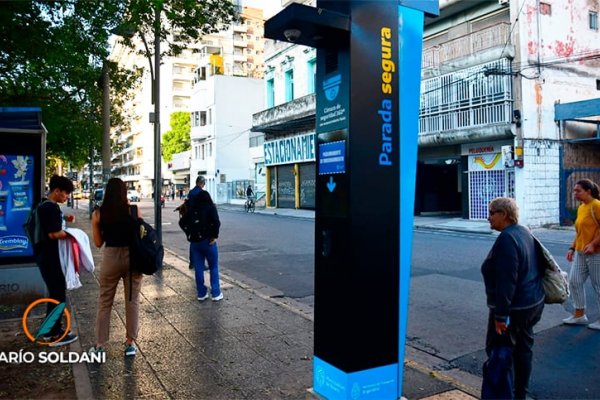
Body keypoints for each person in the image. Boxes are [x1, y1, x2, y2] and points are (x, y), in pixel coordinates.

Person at [481, 197, 544, 400]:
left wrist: (500, 316)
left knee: (499, 352)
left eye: (491, 213)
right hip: (532, 304)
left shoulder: (507, 239)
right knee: (523, 350)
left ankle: (500, 395)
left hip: (514, 310)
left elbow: (507, 281)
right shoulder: (524, 231)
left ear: (504, 215)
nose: (488, 217)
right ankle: (520, 395)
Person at [90, 178, 143, 356]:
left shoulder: (99, 213)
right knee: (132, 301)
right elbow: (140, 235)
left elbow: (98, 243)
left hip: (110, 258)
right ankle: (130, 343)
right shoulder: (133, 210)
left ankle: (100, 345)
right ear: (124, 192)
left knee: (105, 302)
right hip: (132, 259)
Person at [35, 174, 78, 346]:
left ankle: (52, 329)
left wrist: (65, 219)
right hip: (49, 257)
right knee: (58, 294)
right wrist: (72, 235)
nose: (67, 196)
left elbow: (50, 225)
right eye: (65, 193)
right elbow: (53, 233)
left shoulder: (44, 205)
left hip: (44, 255)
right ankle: (52, 334)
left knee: (56, 292)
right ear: (56, 190)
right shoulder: (50, 208)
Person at [563, 179, 600, 330]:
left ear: (588, 191)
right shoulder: (581, 208)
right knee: (574, 281)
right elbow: (579, 232)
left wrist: (593, 244)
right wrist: (572, 248)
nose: (575, 194)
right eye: (574, 191)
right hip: (580, 252)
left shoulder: (596, 205)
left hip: (596, 252)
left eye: (578, 191)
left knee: (598, 286)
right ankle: (579, 315)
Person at [188, 190, 222, 301]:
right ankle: (216, 293)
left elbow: (183, 222)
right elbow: (217, 222)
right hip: (208, 241)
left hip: (195, 243)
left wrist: (189, 235)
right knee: (213, 266)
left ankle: (201, 293)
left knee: (199, 268)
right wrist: (214, 236)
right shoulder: (210, 207)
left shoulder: (192, 208)